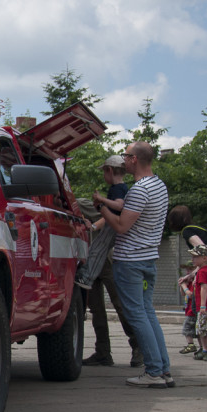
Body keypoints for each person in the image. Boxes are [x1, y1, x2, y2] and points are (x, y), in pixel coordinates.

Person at [97, 141, 173, 388]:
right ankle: (163, 370)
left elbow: (121, 226)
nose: (123, 159)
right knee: (147, 313)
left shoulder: (140, 190)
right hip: (149, 258)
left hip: (130, 260)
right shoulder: (159, 186)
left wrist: (101, 208)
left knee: (137, 316)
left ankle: (153, 371)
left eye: (126, 155)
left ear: (134, 160)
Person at [77, 199, 142, 368]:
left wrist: (92, 227)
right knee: (96, 310)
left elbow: (109, 216)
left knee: (121, 304)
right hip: (87, 263)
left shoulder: (80, 203)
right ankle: (103, 352)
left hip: (105, 259)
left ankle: (138, 348)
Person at [168, 206, 207, 357]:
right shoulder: (199, 228)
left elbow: (203, 249)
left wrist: (195, 273)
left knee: (202, 308)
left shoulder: (188, 231)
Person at [75, 155, 129, 290]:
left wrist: (102, 200)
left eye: (104, 172)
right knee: (96, 248)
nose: (104, 176)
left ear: (109, 170)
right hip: (111, 224)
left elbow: (119, 205)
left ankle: (86, 277)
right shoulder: (122, 188)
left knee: (98, 250)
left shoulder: (118, 188)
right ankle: (86, 275)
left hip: (113, 227)